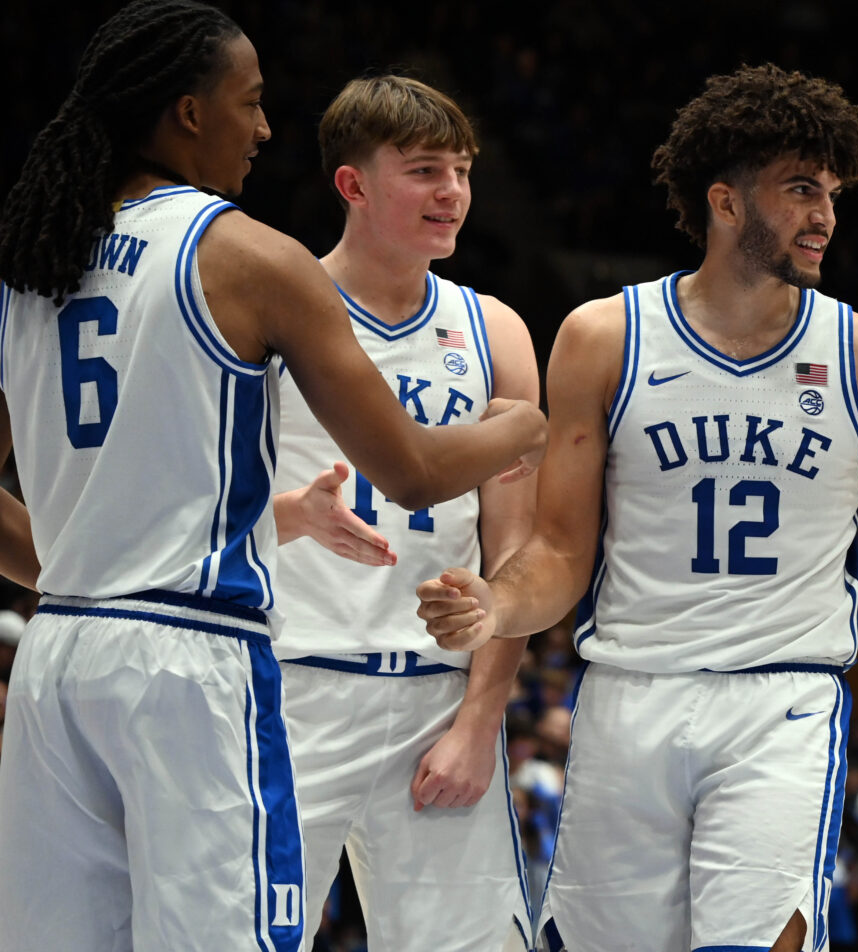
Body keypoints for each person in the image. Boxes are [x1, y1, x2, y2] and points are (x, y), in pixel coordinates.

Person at [415, 63, 858, 952]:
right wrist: (495, 605)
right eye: (799, 189)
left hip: (779, 702)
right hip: (631, 693)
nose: (824, 213)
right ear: (726, 201)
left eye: (830, 191)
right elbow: (559, 552)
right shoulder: (605, 337)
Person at [0, 3, 546, 949]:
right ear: (188, 111)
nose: (262, 129)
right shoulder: (246, 255)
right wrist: (523, 425)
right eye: (248, 104)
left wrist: (90, 568)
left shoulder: (34, 256)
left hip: (61, 651)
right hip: (197, 656)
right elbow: (414, 470)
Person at [266, 75, 538, 951]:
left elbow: (516, 549)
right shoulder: (266, 310)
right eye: (424, 171)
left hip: (435, 697)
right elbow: (201, 505)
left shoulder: (493, 328)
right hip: (287, 684)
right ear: (353, 185)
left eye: (461, 170)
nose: (452, 192)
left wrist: (480, 721)